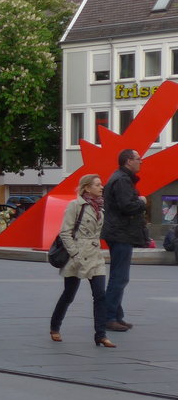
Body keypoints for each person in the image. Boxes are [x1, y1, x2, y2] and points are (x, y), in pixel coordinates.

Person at [50, 174, 113, 347]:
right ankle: (55, 326)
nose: (102, 187)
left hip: (95, 255)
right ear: (87, 188)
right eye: (98, 185)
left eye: (101, 184)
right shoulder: (75, 205)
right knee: (69, 294)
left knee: (100, 295)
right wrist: (75, 254)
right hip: (76, 255)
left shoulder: (100, 207)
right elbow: (65, 232)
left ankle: (101, 334)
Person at [101, 149, 148, 333]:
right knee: (119, 277)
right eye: (138, 159)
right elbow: (127, 206)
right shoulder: (122, 180)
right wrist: (142, 202)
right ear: (129, 161)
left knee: (118, 276)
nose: (141, 162)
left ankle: (116, 316)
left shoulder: (120, 178)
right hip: (120, 233)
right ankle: (109, 317)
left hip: (119, 232)